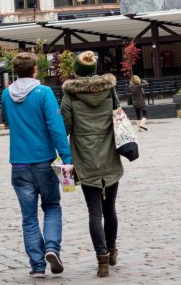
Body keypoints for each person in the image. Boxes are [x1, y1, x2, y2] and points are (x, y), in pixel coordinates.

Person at [0, 51, 73, 278]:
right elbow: (56, 127)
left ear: (15, 71)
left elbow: (6, 119)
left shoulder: (5, 94)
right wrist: (67, 158)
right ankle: (52, 247)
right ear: (35, 69)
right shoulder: (44, 93)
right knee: (51, 206)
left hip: (19, 164)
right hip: (44, 161)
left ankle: (37, 265)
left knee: (29, 217)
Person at [61, 51, 125, 278]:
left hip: (85, 157)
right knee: (110, 208)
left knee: (94, 211)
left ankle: (102, 261)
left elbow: (65, 126)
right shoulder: (109, 89)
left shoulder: (70, 95)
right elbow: (118, 116)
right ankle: (112, 249)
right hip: (109, 154)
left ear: (76, 72)